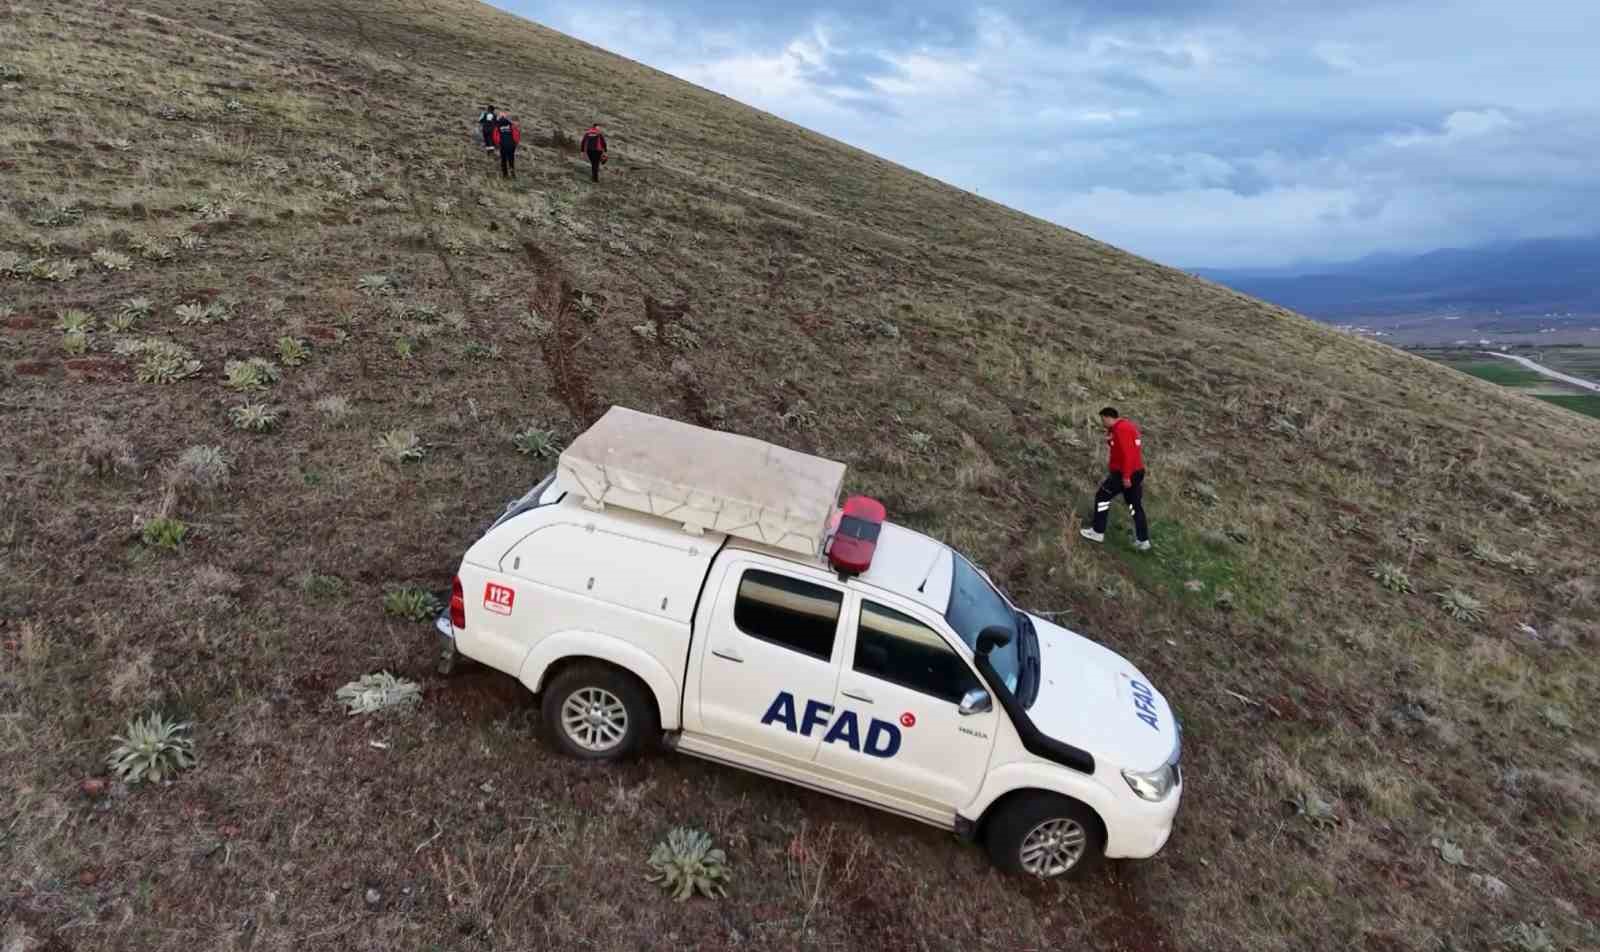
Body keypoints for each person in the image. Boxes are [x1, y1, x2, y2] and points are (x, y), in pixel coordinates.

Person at [1079, 407, 1151, 550]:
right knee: (1134, 505)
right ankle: (1143, 540)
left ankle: (1097, 531)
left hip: (1124, 473)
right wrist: (1110, 441)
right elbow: (1130, 448)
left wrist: (1125, 476)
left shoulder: (1120, 430)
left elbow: (1128, 454)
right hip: (1136, 471)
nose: (1102, 423)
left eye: (1102, 419)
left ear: (1107, 417)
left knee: (1102, 497)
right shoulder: (1127, 426)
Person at [492, 112, 521, 178]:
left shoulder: (497, 126)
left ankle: (505, 175)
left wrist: (498, 144)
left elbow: (495, 136)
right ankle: (513, 174)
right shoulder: (511, 125)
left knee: (503, 160)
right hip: (511, 145)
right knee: (511, 159)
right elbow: (516, 134)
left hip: (503, 145)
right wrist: (515, 143)